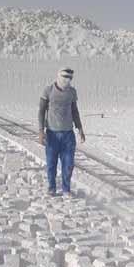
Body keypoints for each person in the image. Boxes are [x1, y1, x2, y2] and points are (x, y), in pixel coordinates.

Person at [38, 68, 86, 197]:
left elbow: (75, 111)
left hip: (68, 135)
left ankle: (66, 188)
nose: (67, 80)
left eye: (70, 78)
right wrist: (41, 131)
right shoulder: (48, 91)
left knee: (69, 163)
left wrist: (80, 129)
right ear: (59, 76)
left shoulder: (72, 92)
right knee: (51, 163)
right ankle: (52, 187)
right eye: (65, 77)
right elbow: (41, 111)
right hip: (52, 134)